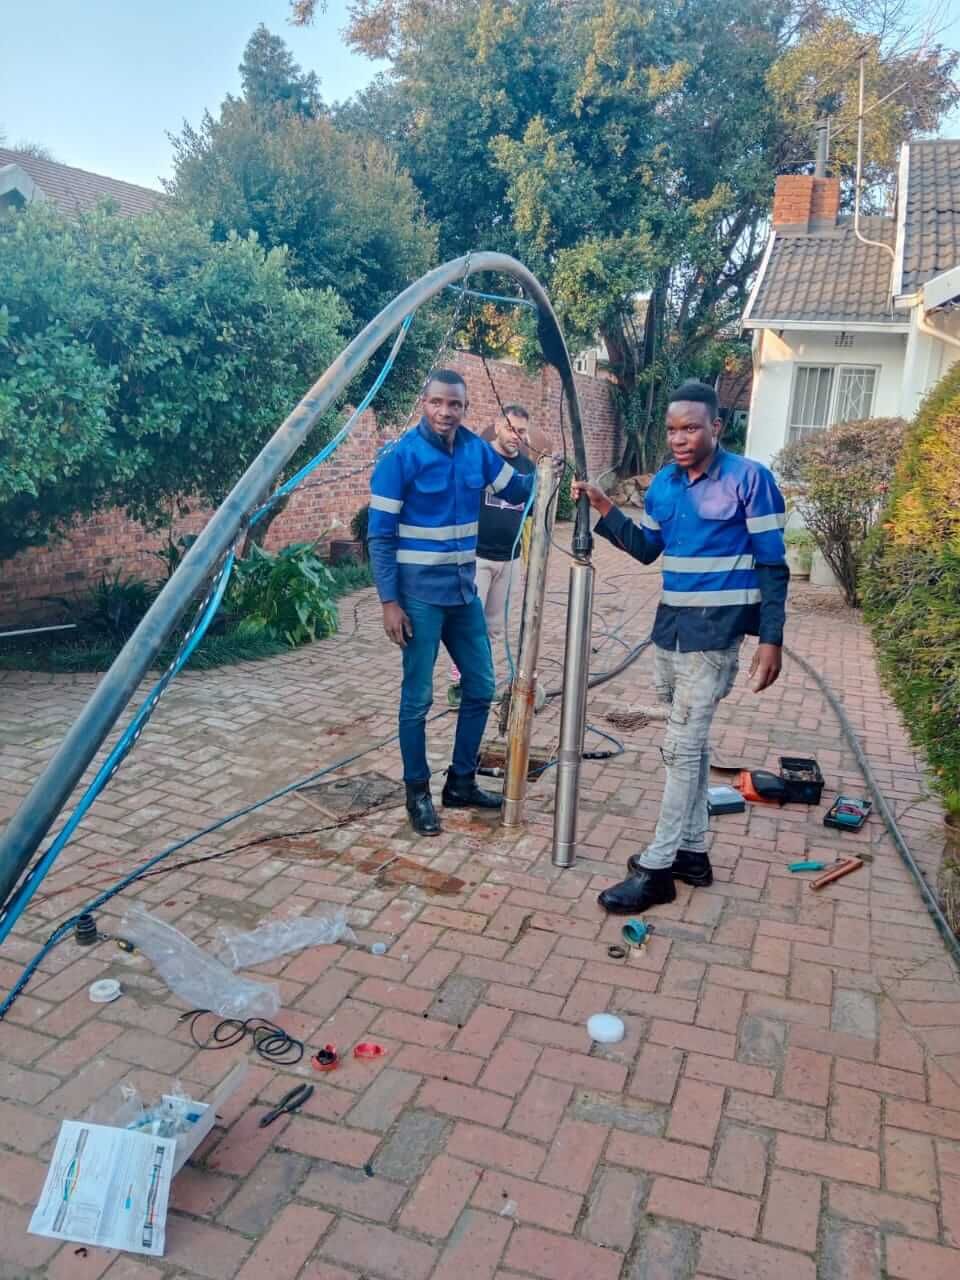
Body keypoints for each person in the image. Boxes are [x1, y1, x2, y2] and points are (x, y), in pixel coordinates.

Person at [572, 379, 789, 914]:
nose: (679, 438)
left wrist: (771, 640)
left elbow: (772, 565)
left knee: (680, 749)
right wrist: (604, 508)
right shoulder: (664, 485)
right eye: (672, 429)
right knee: (688, 747)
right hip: (670, 629)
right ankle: (693, 854)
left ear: (717, 426)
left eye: (690, 427)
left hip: (715, 634)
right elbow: (648, 549)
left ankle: (658, 866)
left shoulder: (750, 480)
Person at [368, 369, 536, 837]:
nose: (446, 412)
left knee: (481, 686)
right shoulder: (399, 458)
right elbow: (379, 537)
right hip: (419, 599)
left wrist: (546, 465)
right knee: (417, 700)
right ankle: (417, 793)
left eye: (455, 405)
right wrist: (388, 602)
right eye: (437, 403)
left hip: (464, 594)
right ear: (424, 402)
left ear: (465, 408)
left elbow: (518, 489)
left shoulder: (476, 451)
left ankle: (460, 782)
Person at [448, 405, 536, 705]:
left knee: (494, 627)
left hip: (509, 559)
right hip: (477, 556)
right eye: (511, 428)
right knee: (468, 622)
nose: (516, 436)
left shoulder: (527, 468)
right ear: (498, 425)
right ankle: (460, 684)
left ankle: (481, 681)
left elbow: (533, 510)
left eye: (522, 431)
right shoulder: (481, 459)